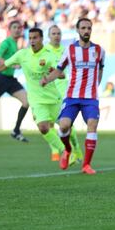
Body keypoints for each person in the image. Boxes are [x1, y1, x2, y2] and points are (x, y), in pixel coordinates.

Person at [0, 28, 73, 162]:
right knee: (43, 127)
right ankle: (64, 152)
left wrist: (52, 75)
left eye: (35, 38)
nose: (32, 41)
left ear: (42, 39)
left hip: (53, 98)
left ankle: (74, 150)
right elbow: (3, 66)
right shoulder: (22, 54)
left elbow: (61, 74)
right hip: (36, 100)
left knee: (66, 126)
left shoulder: (49, 55)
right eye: (30, 38)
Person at [41, 17, 105, 174]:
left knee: (92, 125)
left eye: (88, 28)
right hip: (72, 96)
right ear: (77, 30)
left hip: (90, 97)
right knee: (63, 126)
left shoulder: (99, 50)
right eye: (83, 28)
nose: (86, 31)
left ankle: (86, 165)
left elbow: (101, 69)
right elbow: (59, 69)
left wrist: (95, 86)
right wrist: (47, 79)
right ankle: (68, 150)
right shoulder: (69, 50)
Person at [44, 24, 83, 163]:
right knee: (48, 123)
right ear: (49, 36)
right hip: (48, 91)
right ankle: (56, 149)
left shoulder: (67, 50)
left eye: (58, 33)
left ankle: (75, 148)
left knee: (66, 123)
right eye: (53, 33)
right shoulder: (44, 51)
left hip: (64, 89)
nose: (56, 36)